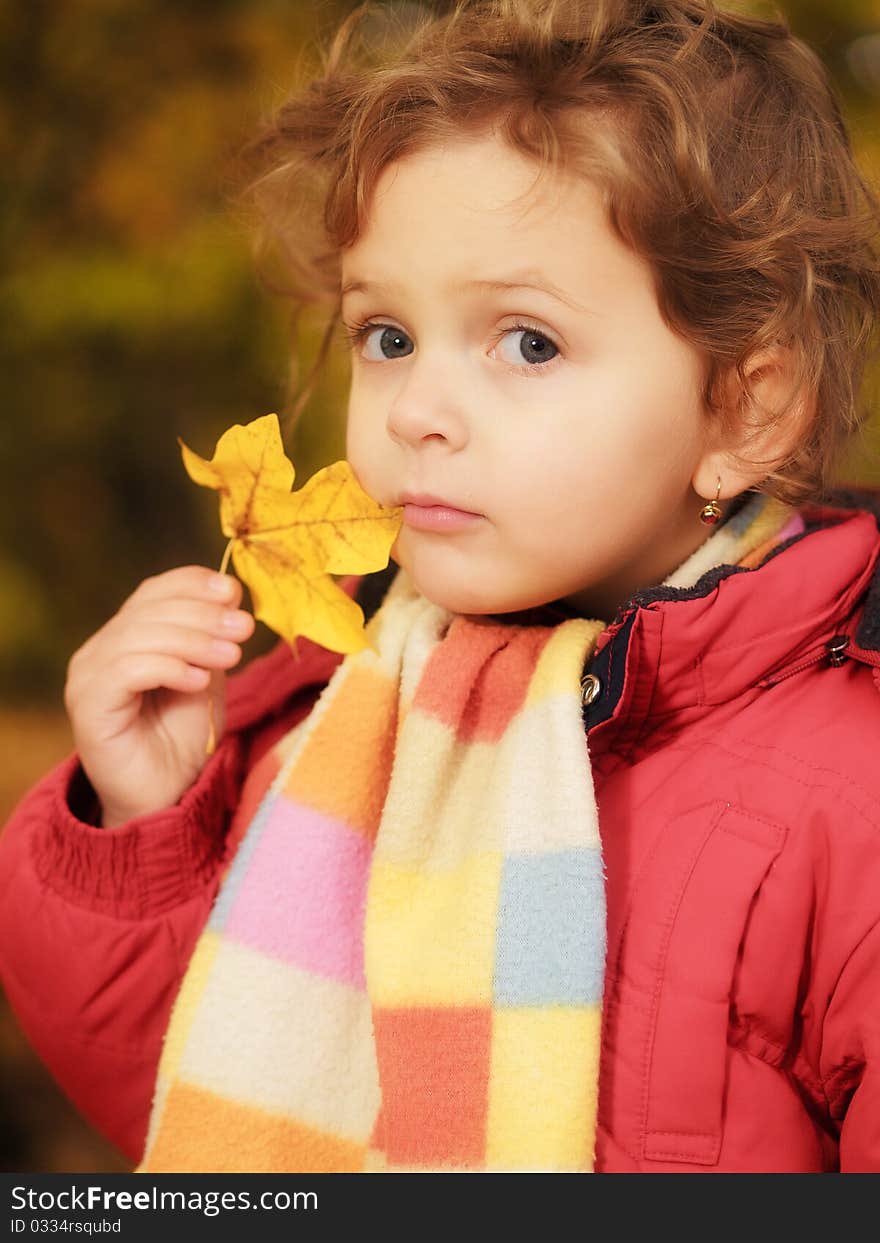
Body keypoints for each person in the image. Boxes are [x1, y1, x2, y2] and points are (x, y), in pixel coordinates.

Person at [2, 0, 880, 1174]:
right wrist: (149, 828)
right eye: (387, 337)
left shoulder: (846, 796)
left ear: (746, 408)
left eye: (525, 342)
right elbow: (214, 1114)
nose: (415, 411)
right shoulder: (351, 705)